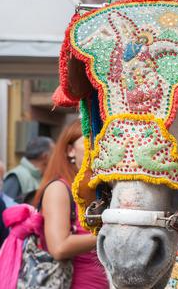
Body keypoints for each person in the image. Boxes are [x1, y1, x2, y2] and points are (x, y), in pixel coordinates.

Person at [33, 121, 108, 289]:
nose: (96, 148)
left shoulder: (102, 192)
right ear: (70, 150)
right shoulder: (59, 188)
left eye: (101, 142)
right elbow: (59, 247)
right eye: (88, 141)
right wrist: (110, 233)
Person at [3, 136, 54, 203]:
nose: (56, 158)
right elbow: (5, 207)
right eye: (54, 153)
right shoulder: (16, 176)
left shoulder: (44, 176)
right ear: (45, 156)